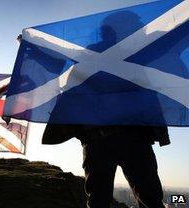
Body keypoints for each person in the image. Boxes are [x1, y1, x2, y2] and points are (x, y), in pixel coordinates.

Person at [42, 11, 170, 208]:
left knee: (149, 198)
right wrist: (33, 48)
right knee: (103, 200)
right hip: (100, 141)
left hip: (132, 138)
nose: (141, 29)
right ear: (118, 28)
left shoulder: (138, 55)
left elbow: (167, 42)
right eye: (135, 26)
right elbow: (70, 90)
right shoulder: (89, 58)